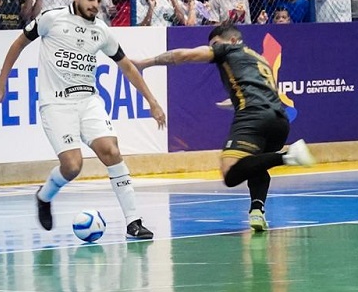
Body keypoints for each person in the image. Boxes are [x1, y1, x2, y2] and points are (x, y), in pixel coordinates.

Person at [0, 0, 165, 240]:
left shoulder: (102, 31)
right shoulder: (52, 19)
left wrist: (152, 102)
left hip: (88, 100)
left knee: (111, 150)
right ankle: (44, 196)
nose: (95, 5)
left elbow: (126, 65)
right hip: (56, 104)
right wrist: (1, 83)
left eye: (98, 0)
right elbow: (18, 45)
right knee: (73, 166)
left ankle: (133, 221)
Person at [131, 22, 316, 232]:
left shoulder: (229, 49)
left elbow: (184, 55)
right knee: (256, 164)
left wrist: (145, 63)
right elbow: (260, 89)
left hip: (253, 116)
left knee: (230, 173)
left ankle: (288, 156)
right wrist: (232, 102)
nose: (213, 48)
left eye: (215, 44)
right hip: (279, 121)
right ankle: (257, 210)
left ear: (233, 40)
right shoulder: (259, 59)